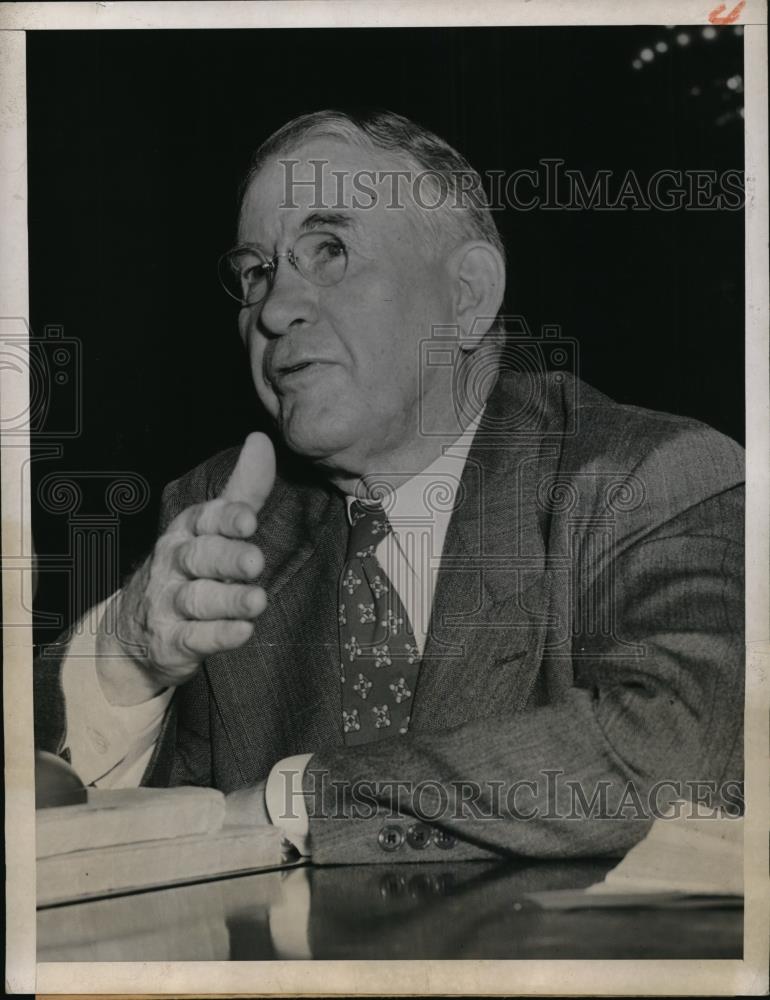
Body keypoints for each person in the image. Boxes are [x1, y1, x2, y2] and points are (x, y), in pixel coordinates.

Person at [35, 109, 744, 865]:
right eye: (257, 272)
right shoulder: (225, 523)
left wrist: (299, 802)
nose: (274, 309)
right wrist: (125, 664)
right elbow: (115, 829)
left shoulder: (653, 478)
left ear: (467, 296)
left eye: (330, 250)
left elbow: (680, 758)